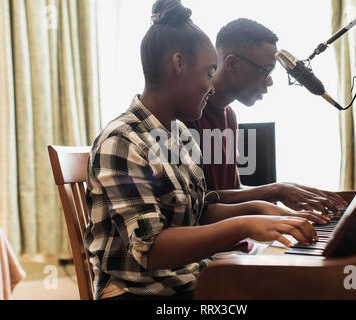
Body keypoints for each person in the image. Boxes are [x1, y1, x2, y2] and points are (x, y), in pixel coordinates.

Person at [85, 0, 328, 300]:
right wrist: (245, 224)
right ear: (179, 65)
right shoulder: (123, 141)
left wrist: (261, 210)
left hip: (185, 278)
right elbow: (151, 248)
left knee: (297, 284)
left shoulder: (179, 134)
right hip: (139, 291)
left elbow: (200, 210)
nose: (212, 87)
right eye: (209, 72)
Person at [184, 18, 348, 215]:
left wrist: (290, 191)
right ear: (232, 64)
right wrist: (276, 191)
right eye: (265, 71)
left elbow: (232, 191)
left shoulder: (229, 116)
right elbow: (195, 203)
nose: (270, 82)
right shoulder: (186, 116)